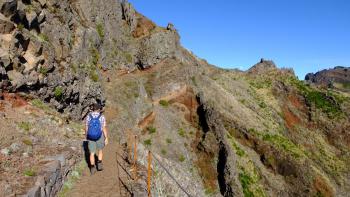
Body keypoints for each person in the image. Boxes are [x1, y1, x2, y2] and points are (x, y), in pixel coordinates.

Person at [85, 103, 108, 175]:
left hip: (90, 136)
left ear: (93, 108)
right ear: (99, 109)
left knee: (92, 153)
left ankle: (92, 168)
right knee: (100, 150)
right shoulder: (102, 117)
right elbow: (104, 128)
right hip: (99, 136)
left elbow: (86, 127)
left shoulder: (89, 116)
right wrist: (106, 137)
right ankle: (99, 165)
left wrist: (86, 136)